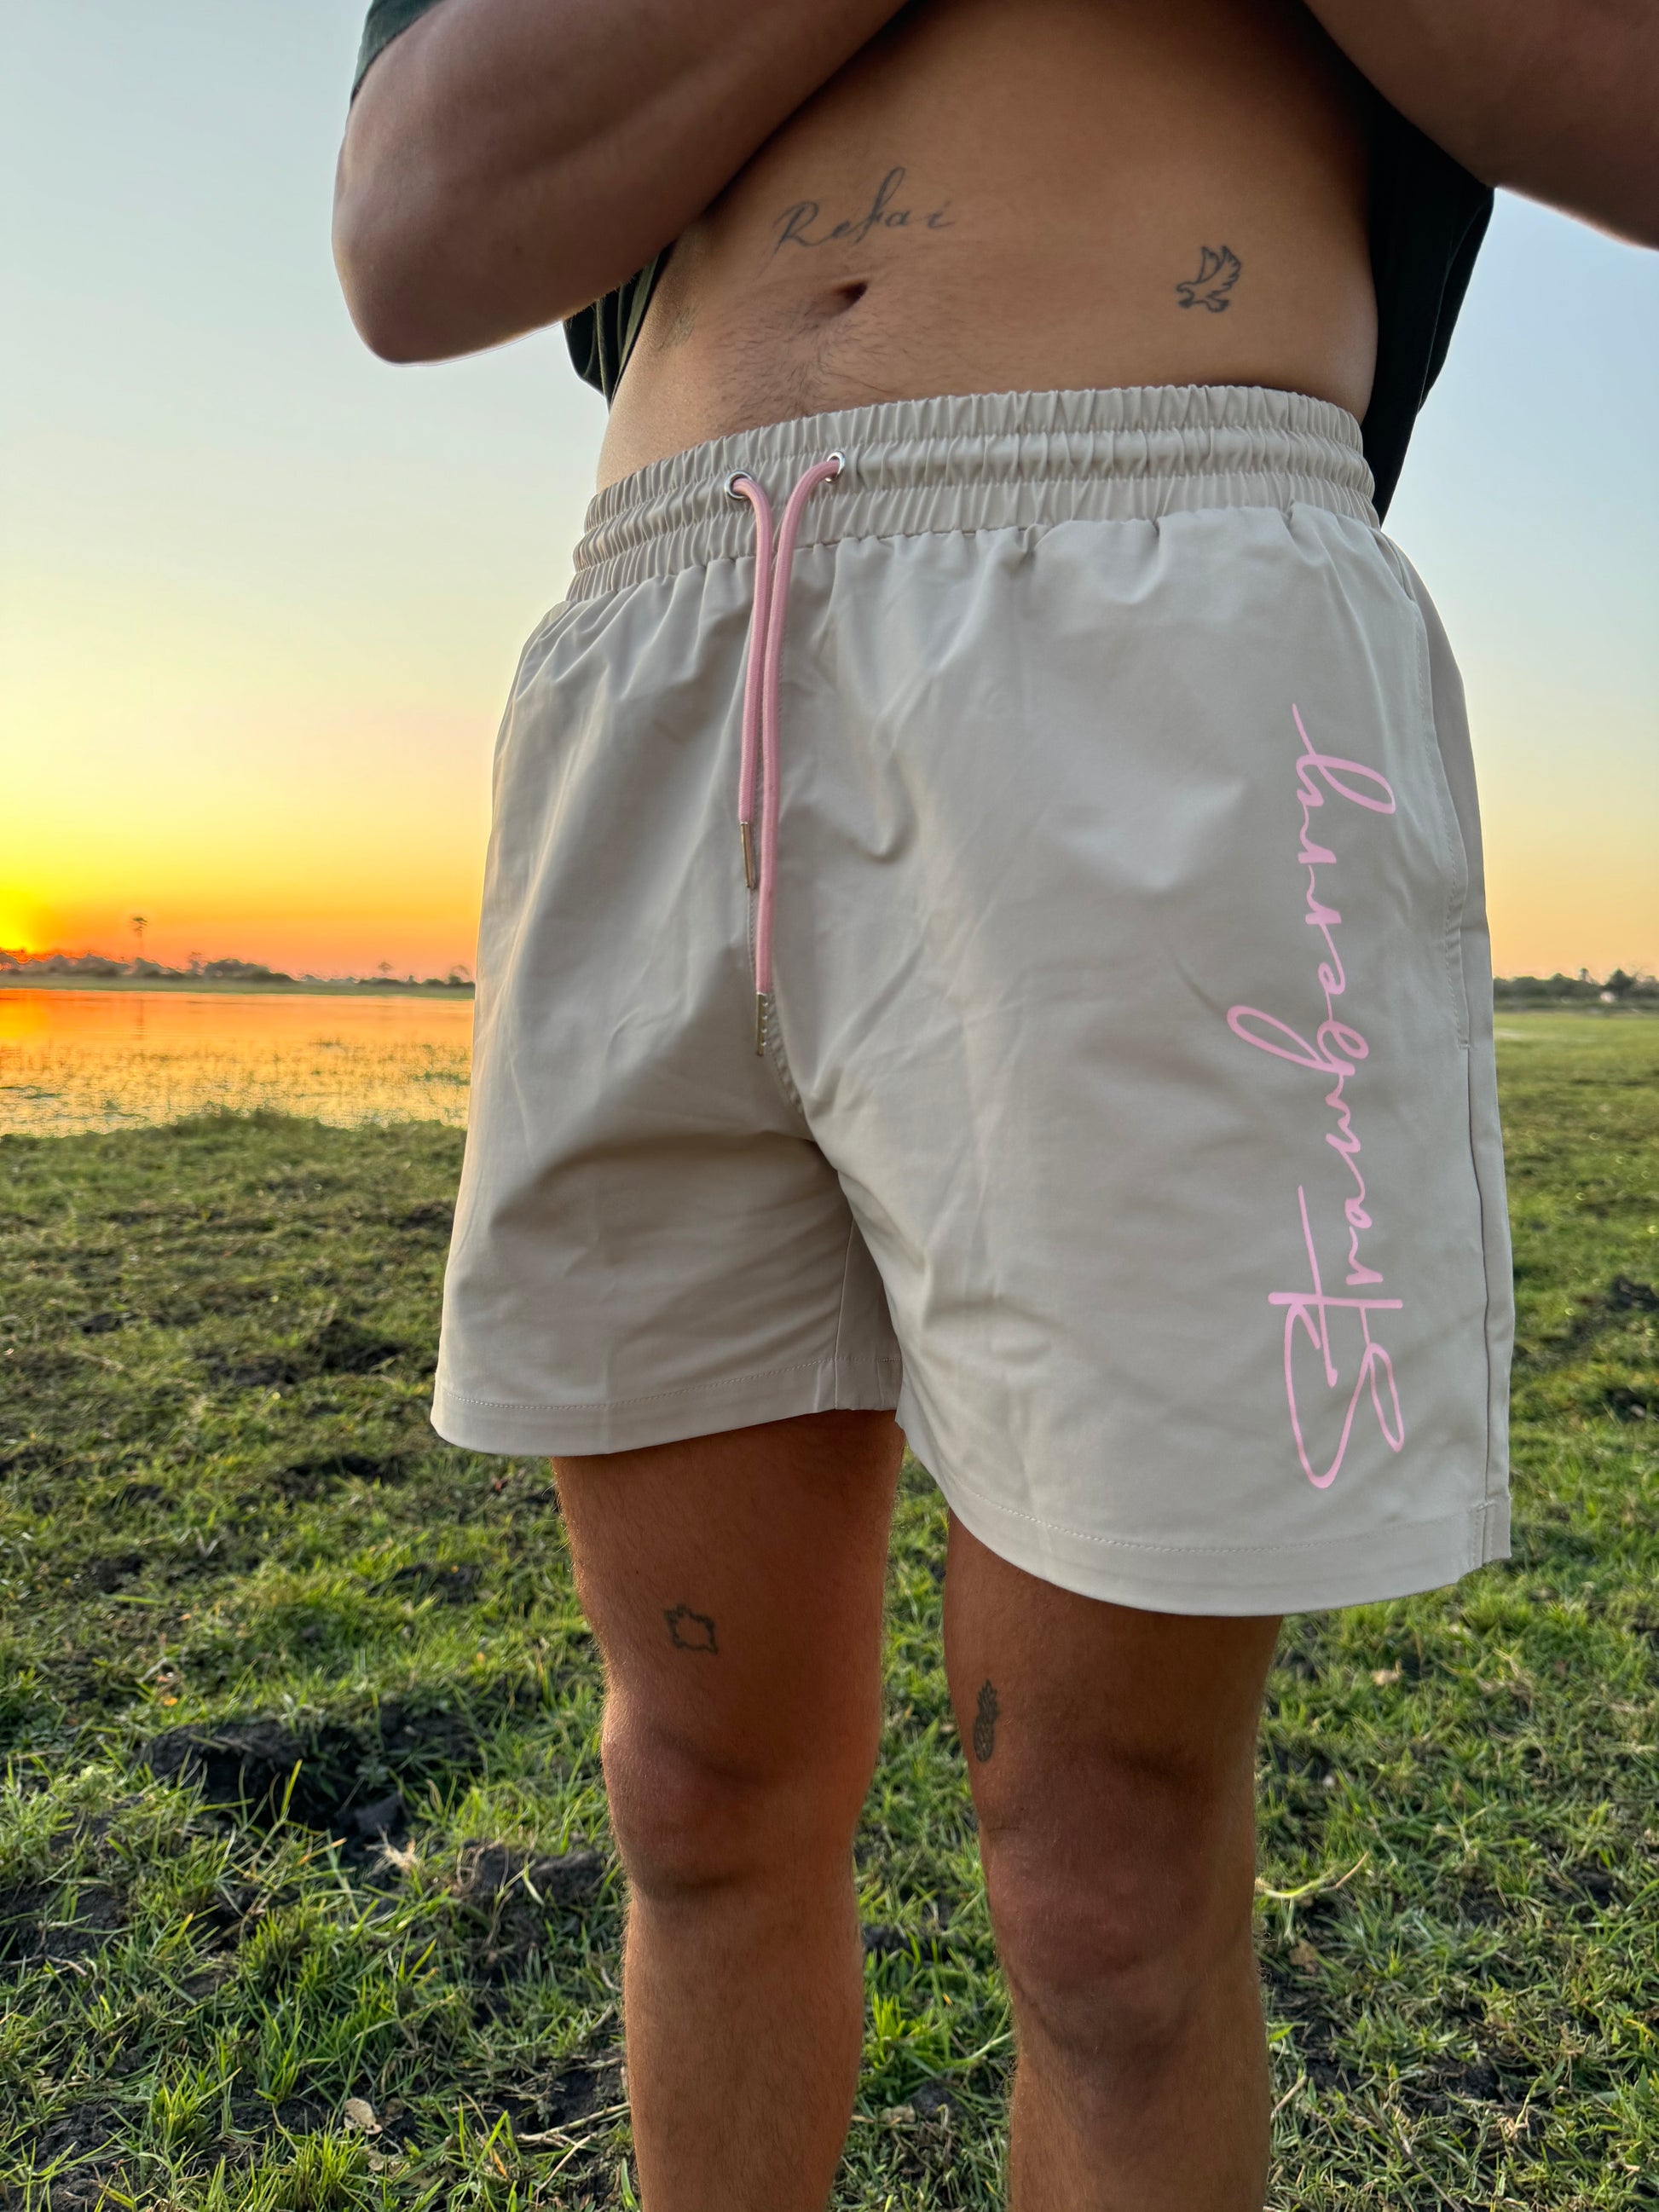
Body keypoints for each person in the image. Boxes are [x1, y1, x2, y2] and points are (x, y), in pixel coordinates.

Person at [333, 6, 1657, 2204]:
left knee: (1106, 1878)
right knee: (690, 1786)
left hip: (1147, 591)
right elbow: (412, 232)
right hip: (658, 642)